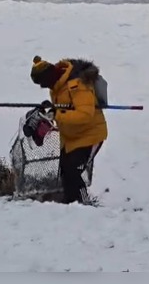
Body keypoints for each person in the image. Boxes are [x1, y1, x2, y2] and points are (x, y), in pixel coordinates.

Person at [29, 56, 107, 204]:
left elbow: (85, 115)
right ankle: (70, 204)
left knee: (74, 170)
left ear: (50, 76)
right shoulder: (57, 88)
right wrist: (51, 111)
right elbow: (64, 110)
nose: (44, 87)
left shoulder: (77, 85)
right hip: (71, 138)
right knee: (65, 171)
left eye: (43, 83)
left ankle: (84, 203)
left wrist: (58, 115)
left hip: (90, 135)